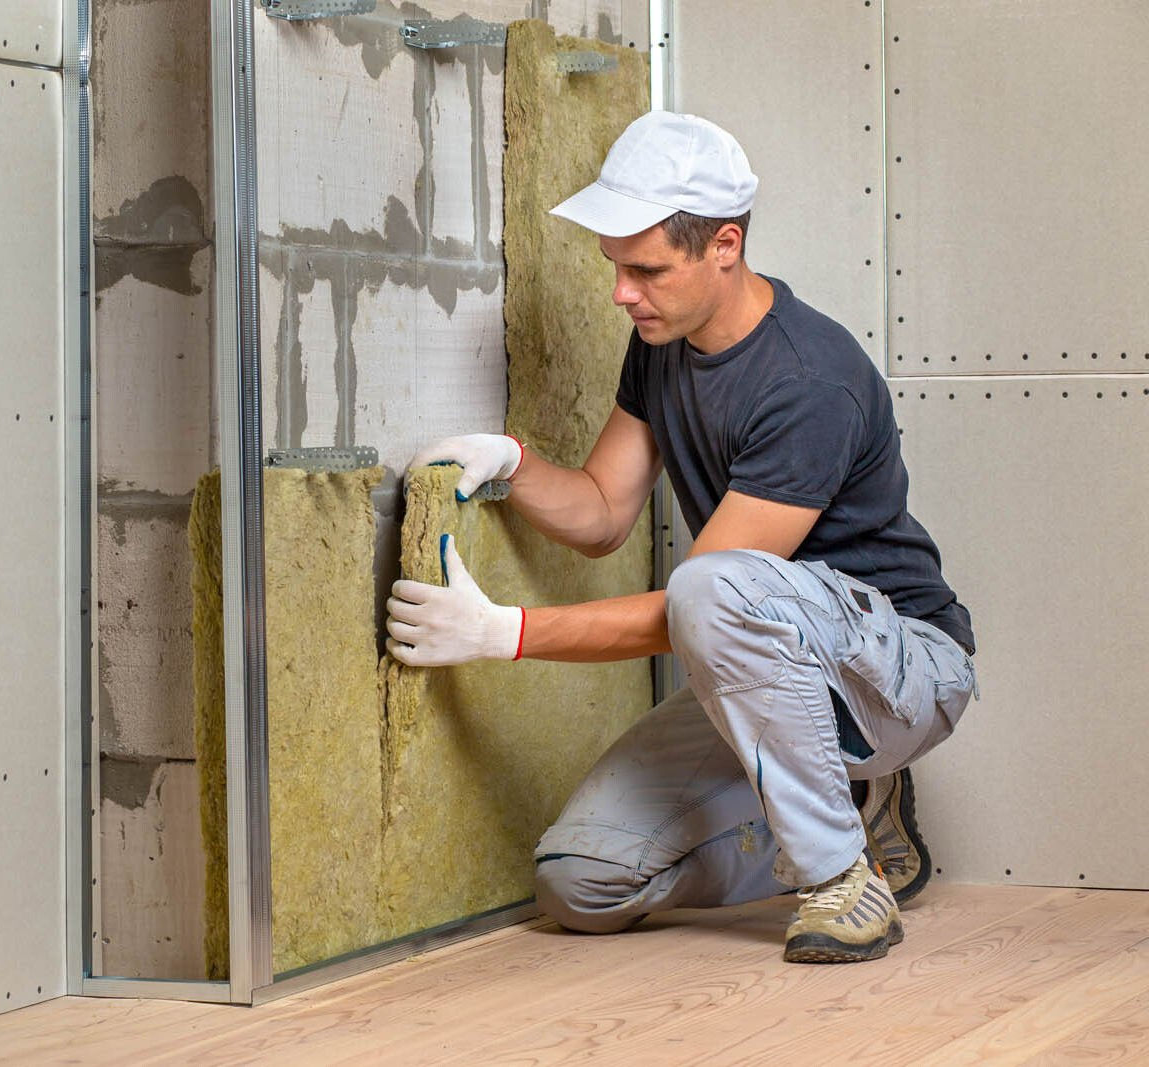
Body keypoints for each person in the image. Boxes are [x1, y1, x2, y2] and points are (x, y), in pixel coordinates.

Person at [384, 111, 977, 964]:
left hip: (897, 670)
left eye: (646, 270)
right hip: (757, 662)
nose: (622, 292)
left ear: (724, 245)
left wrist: (501, 633)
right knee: (578, 882)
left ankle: (841, 880)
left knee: (710, 585)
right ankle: (846, 817)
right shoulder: (661, 345)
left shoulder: (809, 382)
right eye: (616, 268)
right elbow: (598, 513)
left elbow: (695, 605)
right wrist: (512, 462)